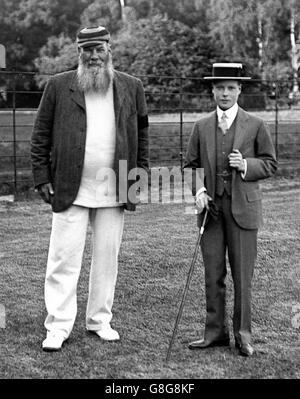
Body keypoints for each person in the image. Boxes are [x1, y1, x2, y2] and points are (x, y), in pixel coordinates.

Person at [31, 26, 149, 352]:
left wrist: (139, 176)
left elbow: (143, 136)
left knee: (107, 259)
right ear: (78, 52)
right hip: (70, 187)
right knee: (63, 259)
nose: (94, 56)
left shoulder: (131, 86)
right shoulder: (58, 86)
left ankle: (99, 320)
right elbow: (40, 135)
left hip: (114, 188)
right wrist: (42, 177)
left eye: (100, 49)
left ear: (110, 49)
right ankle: (57, 326)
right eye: (88, 50)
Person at [184, 63, 277, 357]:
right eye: (220, 88)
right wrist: (198, 191)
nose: (225, 93)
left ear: (240, 90)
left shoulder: (256, 124)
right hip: (211, 211)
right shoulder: (200, 126)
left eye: (230, 88)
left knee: (241, 275)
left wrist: (246, 165)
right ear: (212, 91)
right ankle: (215, 333)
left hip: (243, 211)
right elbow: (191, 166)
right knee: (213, 274)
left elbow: (270, 163)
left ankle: (243, 336)